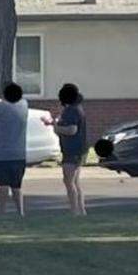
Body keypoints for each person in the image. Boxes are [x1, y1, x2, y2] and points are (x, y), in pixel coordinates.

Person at [0, 82, 29, 216]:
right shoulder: (24, 105)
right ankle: (20, 212)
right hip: (19, 153)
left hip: (0, 153)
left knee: (3, 184)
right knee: (16, 185)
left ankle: (2, 211)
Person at [52, 83, 88, 215]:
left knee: (68, 181)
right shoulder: (78, 108)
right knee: (75, 181)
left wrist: (56, 128)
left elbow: (72, 130)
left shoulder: (71, 110)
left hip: (72, 150)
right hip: (80, 149)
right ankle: (81, 209)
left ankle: (74, 209)